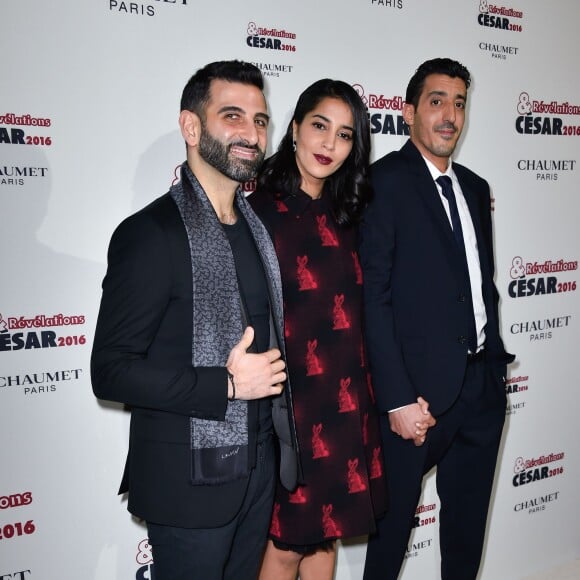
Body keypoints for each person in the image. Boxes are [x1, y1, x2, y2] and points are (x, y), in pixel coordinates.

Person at [91, 60, 300, 580]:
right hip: (187, 486)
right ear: (191, 126)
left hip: (256, 472)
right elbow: (111, 370)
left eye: (259, 119)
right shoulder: (149, 235)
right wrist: (227, 384)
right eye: (232, 116)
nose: (251, 133)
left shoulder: (258, 231)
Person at [360, 58, 515, 580]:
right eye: (436, 101)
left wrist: (494, 371)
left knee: (467, 535)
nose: (450, 115)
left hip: (481, 388)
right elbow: (372, 299)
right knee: (390, 541)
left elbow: (478, 285)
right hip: (417, 400)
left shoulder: (474, 187)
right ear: (408, 113)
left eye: (459, 102)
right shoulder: (381, 184)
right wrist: (397, 399)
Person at [249, 79, 388, 580]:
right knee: (285, 546)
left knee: (326, 537)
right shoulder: (258, 212)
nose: (329, 144)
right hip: (290, 404)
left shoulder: (351, 214)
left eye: (345, 135)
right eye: (320, 127)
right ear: (294, 130)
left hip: (346, 397)